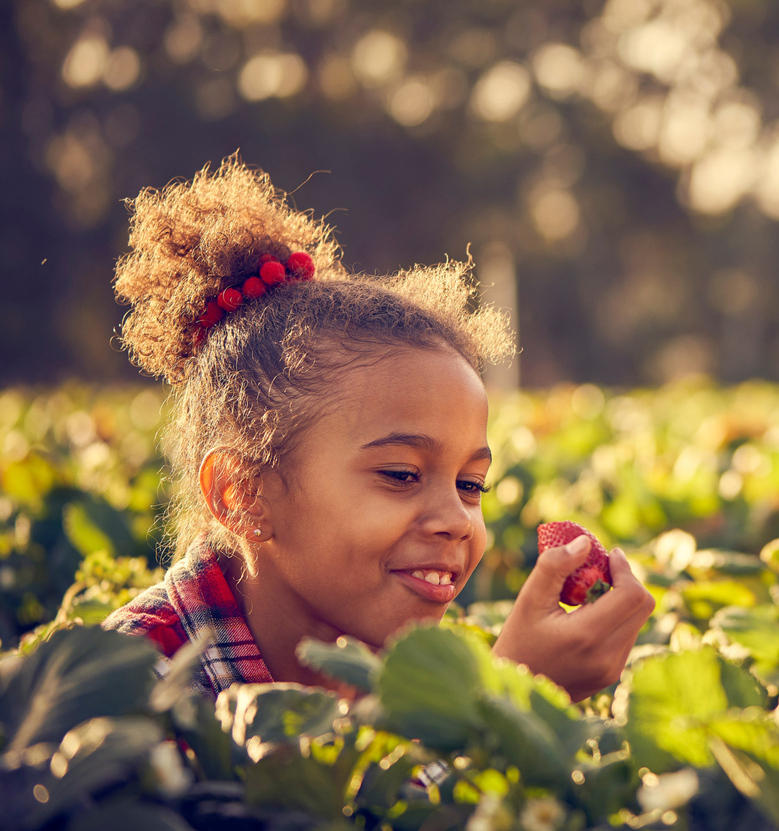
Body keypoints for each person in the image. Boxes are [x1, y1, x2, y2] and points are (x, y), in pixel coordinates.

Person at [103, 157, 655, 700]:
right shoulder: (127, 690)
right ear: (242, 493)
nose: (457, 523)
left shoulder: (406, 665)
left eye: (471, 485)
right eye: (400, 474)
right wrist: (507, 703)